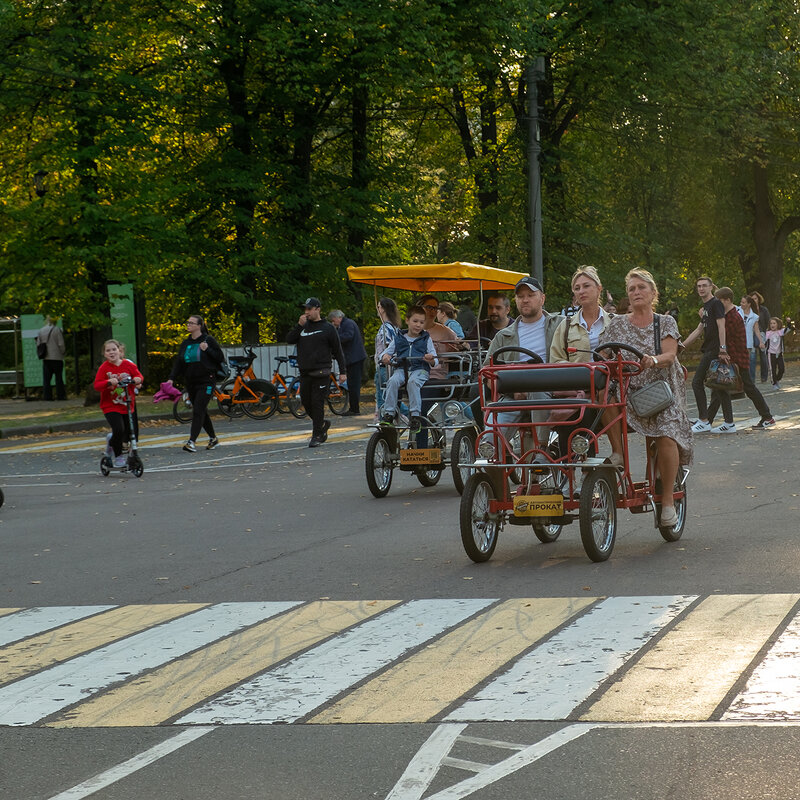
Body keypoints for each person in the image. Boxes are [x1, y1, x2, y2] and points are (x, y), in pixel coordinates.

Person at [600, 269, 693, 527]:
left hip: (661, 390)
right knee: (602, 390)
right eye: (632, 289)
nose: (637, 292)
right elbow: (602, 355)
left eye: (641, 288)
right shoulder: (617, 323)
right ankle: (618, 453)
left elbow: (670, 355)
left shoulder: (665, 322)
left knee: (666, 434)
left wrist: (652, 360)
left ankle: (666, 505)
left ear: (653, 293)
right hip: (629, 390)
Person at [550, 266, 623, 464]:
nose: (581, 291)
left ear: (599, 288)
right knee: (571, 410)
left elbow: (624, 356)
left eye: (586, 286)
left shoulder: (616, 322)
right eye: (577, 288)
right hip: (575, 388)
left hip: (609, 386)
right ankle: (571, 470)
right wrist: (570, 368)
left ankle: (617, 454)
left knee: (602, 393)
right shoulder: (565, 326)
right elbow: (555, 359)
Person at [484, 276, 565, 438]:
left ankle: (543, 450)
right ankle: (494, 455)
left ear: (542, 298)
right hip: (513, 395)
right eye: (520, 297)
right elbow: (487, 373)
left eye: (530, 295)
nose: (525, 300)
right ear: (515, 301)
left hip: (551, 390)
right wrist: (511, 391)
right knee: (490, 441)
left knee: (538, 393)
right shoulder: (503, 336)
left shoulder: (561, 324)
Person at [705, 288, 774, 431]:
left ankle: (767, 416)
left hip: (737, 359)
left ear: (727, 300)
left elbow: (729, 340)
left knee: (745, 388)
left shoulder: (731, 317)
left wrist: (727, 357)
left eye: (719, 301)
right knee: (719, 388)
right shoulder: (732, 314)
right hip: (738, 357)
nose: (717, 305)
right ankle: (708, 420)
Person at [287, 297, 347, 447]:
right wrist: (299, 326)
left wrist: (342, 371)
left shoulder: (327, 328)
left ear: (317, 309)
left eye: (309, 309)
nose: (306, 312)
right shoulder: (303, 327)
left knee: (317, 403)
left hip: (321, 371)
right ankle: (321, 424)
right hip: (305, 372)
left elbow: (338, 351)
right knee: (306, 403)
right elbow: (289, 339)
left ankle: (316, 436)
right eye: (305, 309)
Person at [166, 314, 224, 452]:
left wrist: (207, 349)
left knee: (198, 409)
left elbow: (219, 357)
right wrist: (171, 378)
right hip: (191, 382)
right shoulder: (186, 343)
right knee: (201, 410)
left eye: (192, 323)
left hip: (207, 381)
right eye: (188, 322)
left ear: (199, 326)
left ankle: (191, 441)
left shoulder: (208, 340)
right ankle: (213, 439)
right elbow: (179, 363)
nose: (188, 325)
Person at [379, 305, 438, 435]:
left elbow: (434, 358)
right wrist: (386, 356)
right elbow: (386, 353)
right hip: (402, 368)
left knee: (413, 382)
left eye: (422, 322)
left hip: (420, 369)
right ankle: (389, 413)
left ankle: (415, 415)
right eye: (415, 321)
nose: (418, 325)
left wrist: (430, 359)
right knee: (393, 381)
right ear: (407, 320)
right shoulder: (399, 337)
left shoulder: (425, 338)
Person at [682, 276, 727, 433]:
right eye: (699, 286)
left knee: (697, 382)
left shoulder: (716, 304)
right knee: (718, 386)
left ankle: (704, 420)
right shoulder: (707, 306)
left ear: (711, 287)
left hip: (714, 350)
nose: (701, 288)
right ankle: (723, 421)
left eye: (704, 286)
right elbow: (699, 329)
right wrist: (681, 346)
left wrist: (723, 348)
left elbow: (722, 326)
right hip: (708, 349)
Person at [93, 339, 143, 468]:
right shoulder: (104, 368)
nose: (111, 352)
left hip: (126, 404)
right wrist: (109, 382)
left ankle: (112, 441)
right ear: (104, 354)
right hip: (110, 405)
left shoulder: (128, 365)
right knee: (119, 429)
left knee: (127, 432)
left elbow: (138, 377)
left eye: (114, 349)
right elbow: (97, 385)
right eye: (108, 350)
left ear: (119, 351)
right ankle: (118, 456)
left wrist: (137, 379)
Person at [328, 310, 368, 415]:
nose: (333, 323)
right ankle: (353, 408)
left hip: (355, 359)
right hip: (352, 358)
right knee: (351, 384)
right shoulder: (345, 324)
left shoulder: (348, 323)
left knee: (354, 385)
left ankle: (355, 409)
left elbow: (348, 336)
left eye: (333, 321)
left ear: (338, 317)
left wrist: (335, 339)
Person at [374, 297, 401, 418]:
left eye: (379, 306)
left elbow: (389, 347)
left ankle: (385, 426)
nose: (378, 309)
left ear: (383, 309)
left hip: (385, 366)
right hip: (392, 367)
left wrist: (384, 356)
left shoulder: (385, 328)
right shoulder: (395, 328)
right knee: (390, 397)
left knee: (383, 399)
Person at [36, 316, 67, 401]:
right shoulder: (57, 330)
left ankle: (47, 396)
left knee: (46, 379)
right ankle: (60, 396)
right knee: (58, 378)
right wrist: (63, 352)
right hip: (57, 357)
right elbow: (61, 344)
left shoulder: (41, 330)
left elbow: (38, 344)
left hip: (46, 358)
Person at [740, 295, 764, 381]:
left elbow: (756, 330)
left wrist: (761, 342)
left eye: (743, 302)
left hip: (748, 344)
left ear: (749, 304)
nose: (741, 304)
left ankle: (749, 382)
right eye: (741, 302)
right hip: (737, 343)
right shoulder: (737, 310)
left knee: (746, 365)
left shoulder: (754, 316)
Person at [751, 291, 771, 382]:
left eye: (755, 298)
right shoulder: (749, 310)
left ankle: (764, 376)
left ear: (758, 299)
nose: (754, 300)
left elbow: (768, 322)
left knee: (763, 355)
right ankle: (752, 378)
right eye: (752, 299)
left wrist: (767, 333)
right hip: (751, 334)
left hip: (762, 334)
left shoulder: (764, 310)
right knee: (752, 356)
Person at [765, 317, 786, 389]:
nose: (772, 325)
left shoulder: (780, 332)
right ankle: (774, 383)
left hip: (779, 353)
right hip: (771, 353)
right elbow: (764, 341)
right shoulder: (768, 333)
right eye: (771, 323)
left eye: (774, 323)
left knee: (782, 368)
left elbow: (788, 329)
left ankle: (777, 379)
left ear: (778, 324)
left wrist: (789, 322)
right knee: (772, 369)